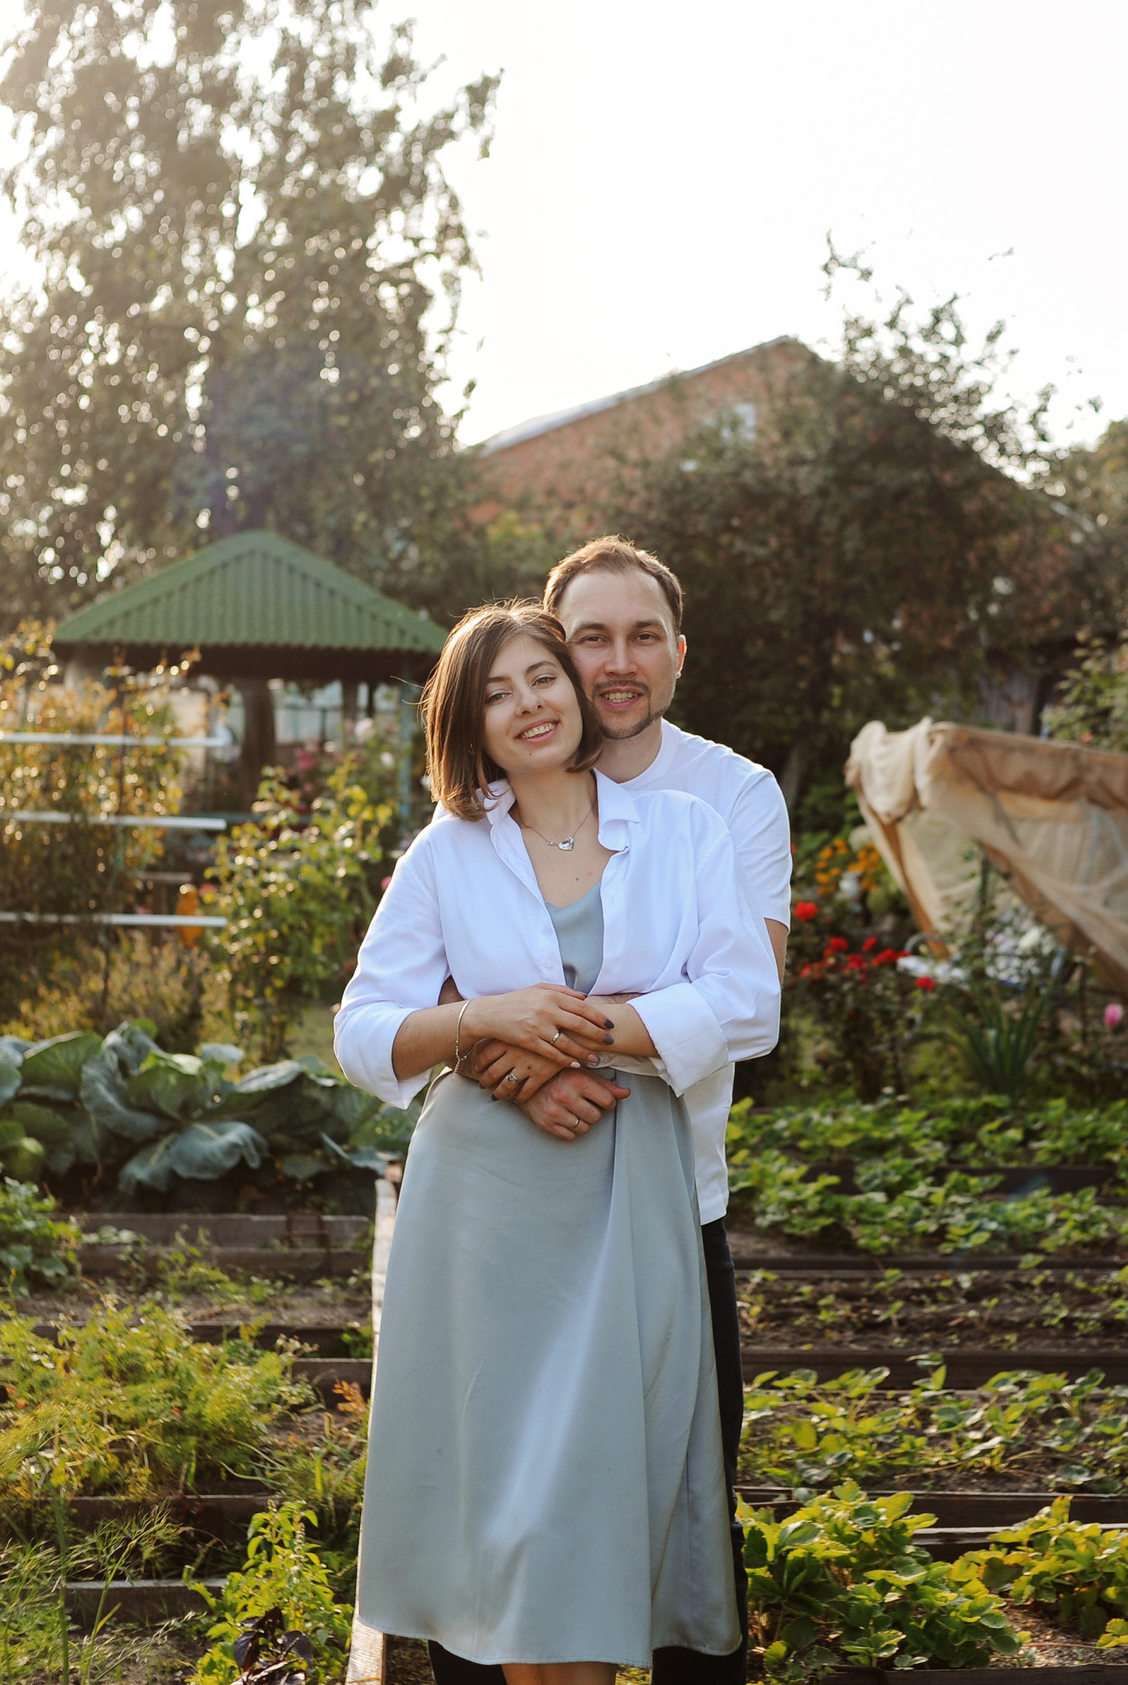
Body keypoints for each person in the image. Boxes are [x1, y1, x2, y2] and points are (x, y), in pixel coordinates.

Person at [336, 600, 780, 1685]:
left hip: (630, 1201)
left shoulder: (684, 829)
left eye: (541, 676)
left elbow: (747, 1001)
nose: (527, 703)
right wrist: (488, 1021)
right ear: (467, 727)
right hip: (482, 1217)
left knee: (594, 1500)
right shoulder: (445, 853)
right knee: (511, 1525)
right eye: (494, 693)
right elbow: (361, 1034)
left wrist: (576, 1035)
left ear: (574, 691)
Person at [451, 537, 793, 1685]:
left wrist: (548, 1032)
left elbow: (744, 994)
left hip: (667, 1197)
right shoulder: (494, 794)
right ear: (553, 647)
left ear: (679, 652)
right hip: (515, 1197)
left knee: (677, 1497)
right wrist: (518, 1062)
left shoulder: (730, 800)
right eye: (588, 637)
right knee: (505, 1497)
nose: (616, 660)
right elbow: (445, 997)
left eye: (642, 634)